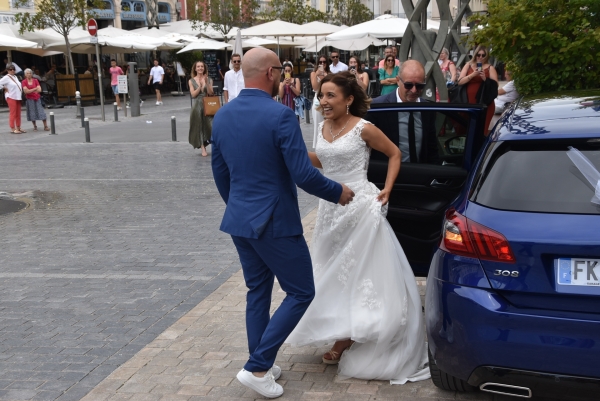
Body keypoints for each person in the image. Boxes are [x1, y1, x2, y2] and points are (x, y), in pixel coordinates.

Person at [211, 47, 355, 399]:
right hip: (275, 221)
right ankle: (258, 366)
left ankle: (260, 362)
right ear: (272, 73)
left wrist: (240, 205)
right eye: (282, 72)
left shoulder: (223, 115)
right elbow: (303, 174)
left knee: (257, 292)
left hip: (240, 220)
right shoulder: (280, 116)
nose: (285, 78)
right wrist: (340, 192)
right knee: (301, 290)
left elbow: (220, 173)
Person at [287, 71, 431, 384]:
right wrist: (291, 154)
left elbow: (394, 153)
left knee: (359, 273)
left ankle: (350, 336)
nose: (324, 102)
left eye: (330, 96)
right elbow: (324, 162)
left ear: (349, 99)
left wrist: (387, 190)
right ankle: (339, 327)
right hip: (330, 208)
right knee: (331, 271)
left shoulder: (364, 128)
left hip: (361, 207)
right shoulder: (323, 127)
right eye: (322, 96)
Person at [370, 60, 439, 164]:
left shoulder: (427, 109)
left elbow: (431, 146)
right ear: (398, 80)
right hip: (387, 174)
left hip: (421, 173)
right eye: (408, 85)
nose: (414, 90)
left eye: (419, 85)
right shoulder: (378, 107)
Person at [457, 45, 498, 134]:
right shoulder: (468, 65)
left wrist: (485, 79)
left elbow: (495, 87)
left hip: (484, 101)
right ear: (475, 55)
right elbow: (460, 82)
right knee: (467, 127)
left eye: (483, 55)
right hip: (468, 100)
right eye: (478, 55)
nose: (480, 57)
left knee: (482, 128)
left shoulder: (490, 68)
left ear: (486, 56)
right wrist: (472, 75)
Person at [188, 61, 214, 157]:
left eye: (202, 66)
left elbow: (211, 92)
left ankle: (213, 144)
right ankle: (203, 147)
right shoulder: (191, 81)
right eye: (198, 67)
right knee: (199, 126)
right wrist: (199, 86)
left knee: (211, 125)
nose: (200, 68)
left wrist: (206, 83)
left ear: (204, 68)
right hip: (197, 106)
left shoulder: (209, 79)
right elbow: (193, 95)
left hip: (207, 104)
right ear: (195, 69)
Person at [310, 55, 331, 148]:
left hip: (328, 100)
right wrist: (317, 74)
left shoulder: (329, 73)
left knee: (328, 122)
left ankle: (327, 142)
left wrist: (325, 75)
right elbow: (315, 87)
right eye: (320, 62)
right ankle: (318, 145)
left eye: (324, 62)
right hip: (318, 100)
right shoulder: (314, 73)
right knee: (318, 124)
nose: (322, 64)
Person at [0, 65, 25, 134]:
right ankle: (12, 128)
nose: (12, 70)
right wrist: (4, 88)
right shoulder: (6, 77)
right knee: (13, 112)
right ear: (7, 70)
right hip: (11, 96)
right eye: (10, 69)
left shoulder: (15, 77)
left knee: (18, 113)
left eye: (13, 69)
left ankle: (18, 126)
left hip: (17, 97)